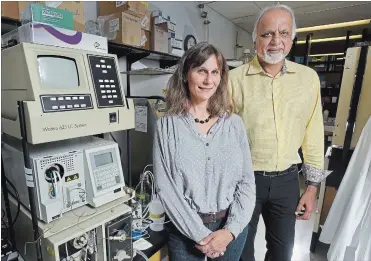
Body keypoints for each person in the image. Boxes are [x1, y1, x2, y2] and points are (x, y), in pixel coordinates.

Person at [228, 4, 331, 261]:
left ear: (292, 39)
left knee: (282, 253)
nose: (276, 41)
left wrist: (312, 187)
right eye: (267, 34)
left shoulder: (307, 79)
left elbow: (313, 134)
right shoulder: (233, 79)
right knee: (240, 251)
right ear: (255, 39)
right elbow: (220, 136)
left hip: (287, 182)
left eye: (283, 33)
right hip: (244, 180)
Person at [153, 42, 256, 261]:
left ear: (221, 78)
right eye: (201, 71)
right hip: (184, 229)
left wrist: (230, 231)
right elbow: (166, 188)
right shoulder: (167, 126)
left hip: (230, 225)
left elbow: (247, 182)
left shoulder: (234, 124)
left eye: (215, 72)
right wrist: (201, 236)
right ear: (185, 74)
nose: (209, 80)